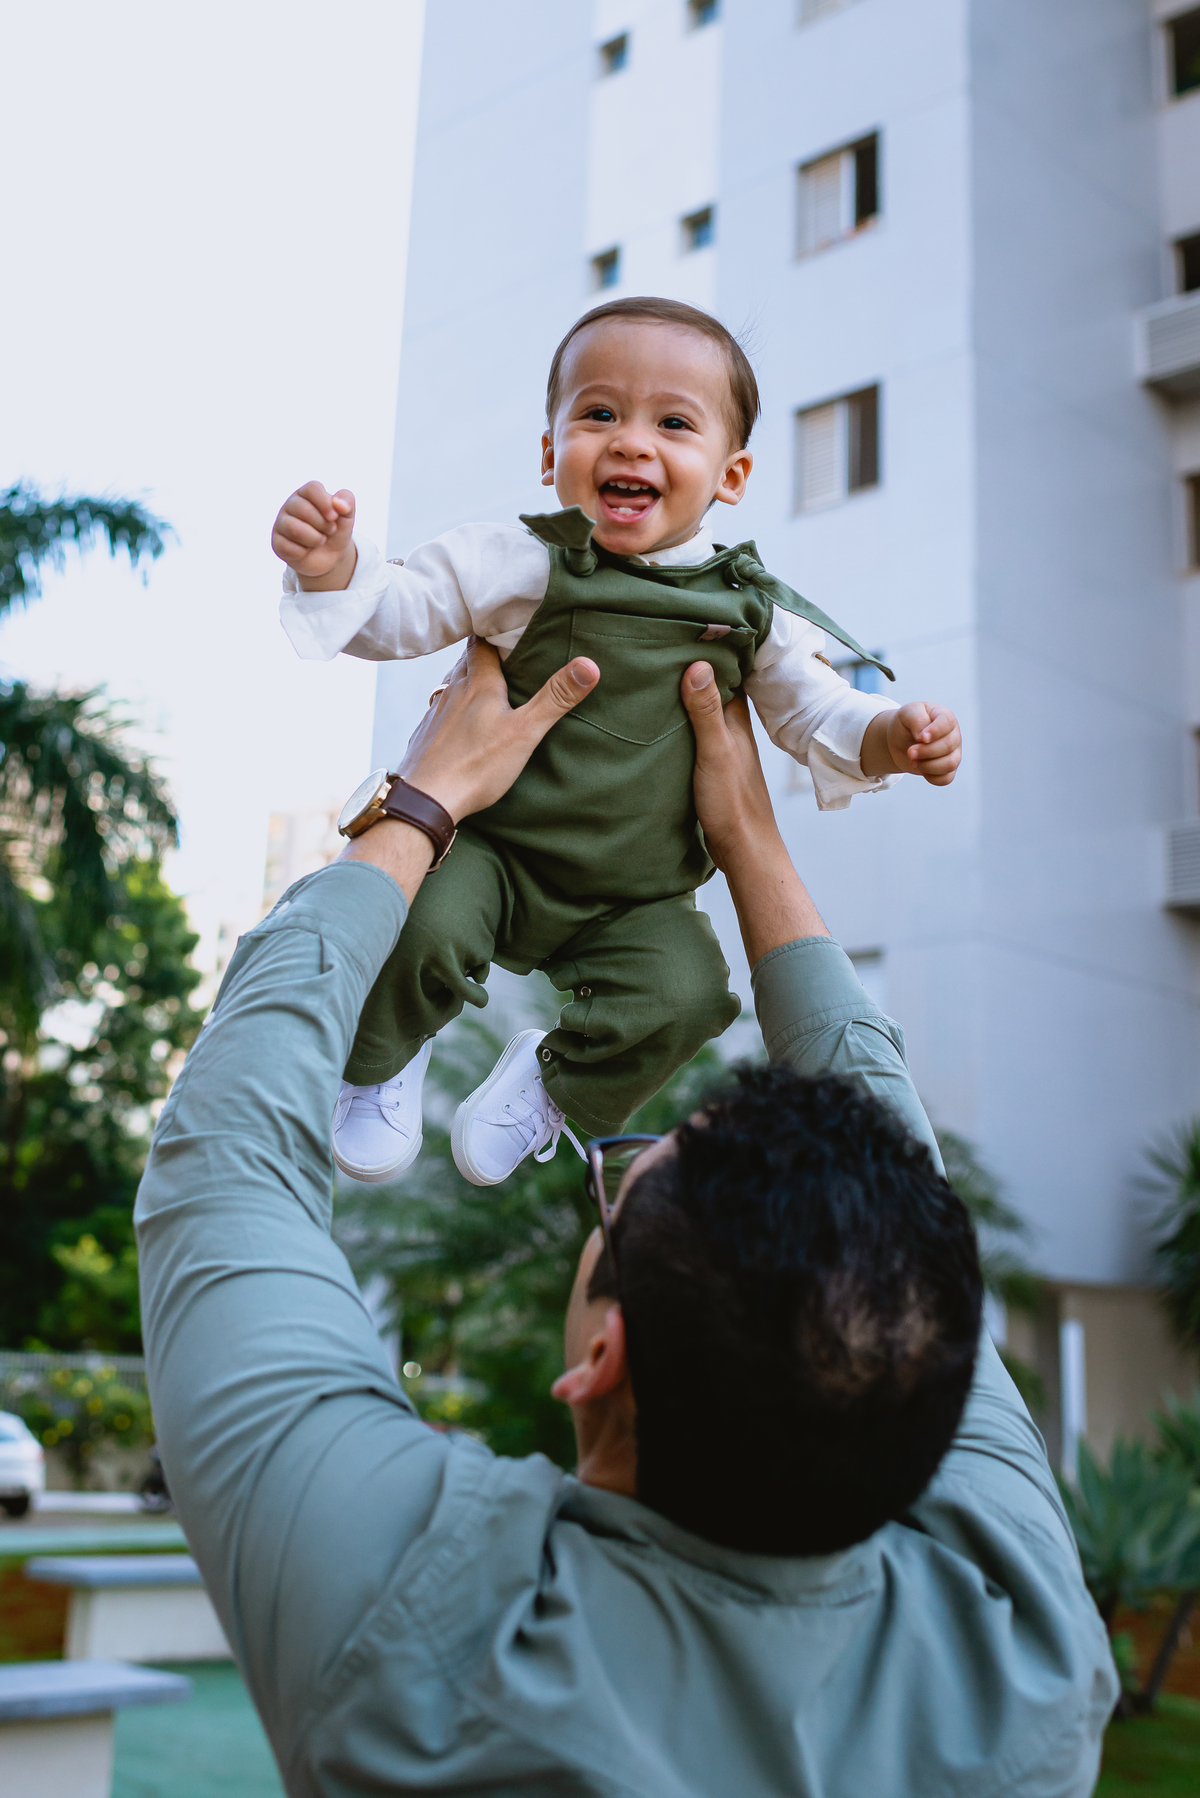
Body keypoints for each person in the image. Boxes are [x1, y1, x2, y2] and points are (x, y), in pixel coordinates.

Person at [136, 640, 1115, 1798]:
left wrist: (423, 797)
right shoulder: (1027, 1670)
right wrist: (746, 831)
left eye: (623, 1184)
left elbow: (228, 1160)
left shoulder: (410, 1620)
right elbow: (892, 1193)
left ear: (605, 1360)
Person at [270, 295, 963, 1188]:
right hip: (495, 850)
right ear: (553, 453)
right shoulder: (518, 561)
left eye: (673, 423)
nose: (632, 442)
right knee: (417, 921)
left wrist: (889, 736)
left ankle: (553, 1084)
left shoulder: (750, 608)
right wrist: (334, 569)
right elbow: (403, 611)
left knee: (688, 994)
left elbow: (814, 711)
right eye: (599, 414)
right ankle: (377, 1060)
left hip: (636, 896)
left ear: (731, 474)